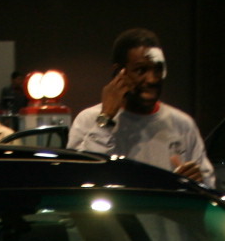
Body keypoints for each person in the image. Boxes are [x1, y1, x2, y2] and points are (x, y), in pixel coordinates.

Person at [67, 28, 214, 187]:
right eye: (141, 70)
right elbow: (79, 179)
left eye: (157, 69)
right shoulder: (88, 120)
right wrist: (105, 119)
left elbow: (209, 187)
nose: (152, 79)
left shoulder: (183, 124)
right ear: (119, 73)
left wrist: (197, 184)